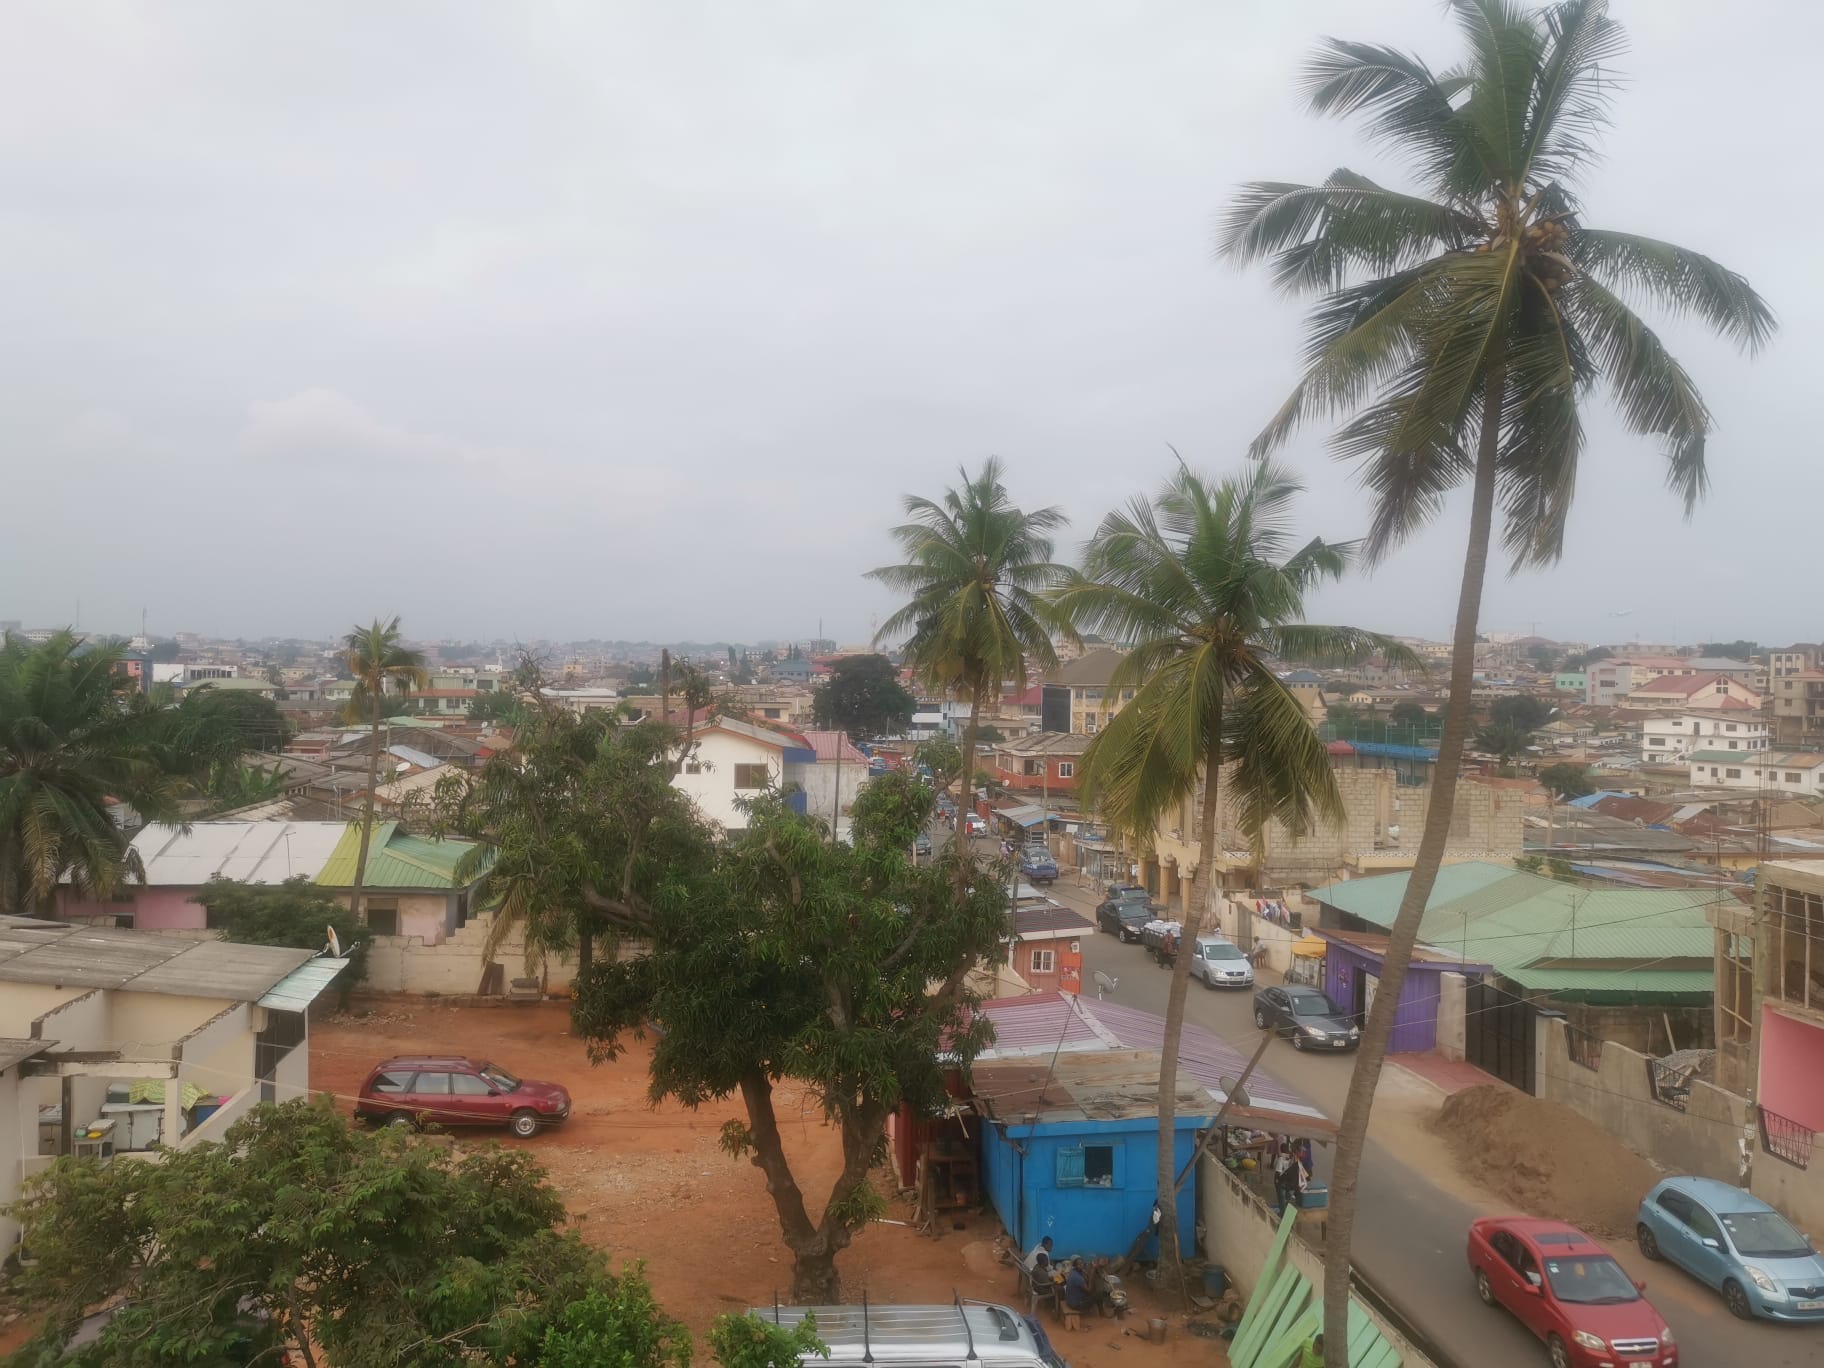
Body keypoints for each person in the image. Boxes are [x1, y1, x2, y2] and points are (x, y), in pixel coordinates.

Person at [1062, 1257, 1094, 1327]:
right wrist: (1091, 1274)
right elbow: (1089, 1290)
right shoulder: (1078, 1278)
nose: (1082, 1265)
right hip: (1074, 1304)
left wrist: (1085, 1272)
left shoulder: (1073, 1271)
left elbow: (1085, 1277)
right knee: (1095, 1296)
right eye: (1079, 1264)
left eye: (1083, 1263)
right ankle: (1086, 1310)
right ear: (1075, 1266)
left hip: (1069, 1299)